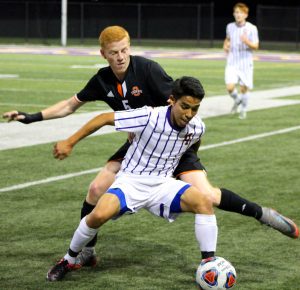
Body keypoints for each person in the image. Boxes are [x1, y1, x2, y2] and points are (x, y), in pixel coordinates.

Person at [3, 26, 298, 268]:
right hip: (140, 150)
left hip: (174, 144)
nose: (120, 57)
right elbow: (70, 105)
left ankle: (263, 214)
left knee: (207, 195)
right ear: (103, 54)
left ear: (129, 47)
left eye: (124, 50)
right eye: (114, 53)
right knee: (95, 190)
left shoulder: (148, 70)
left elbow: (181, 103)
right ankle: (86, 253)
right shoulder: (103, 79)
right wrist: (30, 118)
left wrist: (182, 151)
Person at [47, 76, 218, 281]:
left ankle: (209, 265)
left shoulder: (197, 127)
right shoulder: (149, 116)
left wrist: (187, 168)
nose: (189, 114)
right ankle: (69, 259)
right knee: (98, 216)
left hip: (163, 184)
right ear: (172, 100)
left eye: (195, 108)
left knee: (204, 202)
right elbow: (103, 118)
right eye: (185, 106)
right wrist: (69, 142)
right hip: (131, 181)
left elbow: (191, 147)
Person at [223, 2, 259, 119]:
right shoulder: (230, 27)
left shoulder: (252, 28)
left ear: (245, 15)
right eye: (236, 12)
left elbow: (256, 46)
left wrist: (246, 41)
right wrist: (226, 45)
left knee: (244, 88)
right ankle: (237, 100)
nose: (237, 15)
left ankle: (243, 109)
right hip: (232, 62)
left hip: (245, 62)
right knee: (230, 87)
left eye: (240, 13)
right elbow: (227, 39)